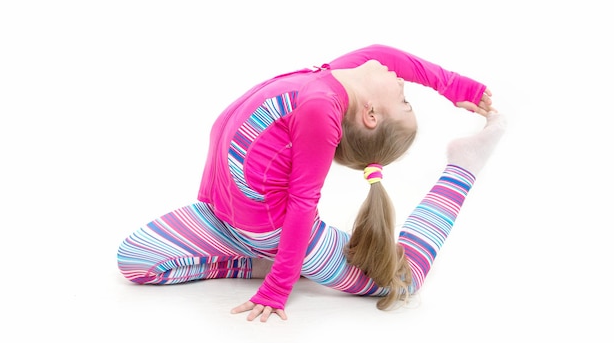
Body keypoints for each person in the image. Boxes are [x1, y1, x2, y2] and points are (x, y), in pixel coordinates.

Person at [117, 44, 506, 322]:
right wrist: (458, 88)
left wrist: (278, 286)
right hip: (220, 218)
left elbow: (303, 203)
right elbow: (388, 55)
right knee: (134, 261)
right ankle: (255, 263)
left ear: (369, 113)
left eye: (404, 104)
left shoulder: (321, 107)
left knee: (403, 278)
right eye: (408, 101)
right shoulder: (333, 77)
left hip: (276, 232)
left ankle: (463, 166)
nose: (405, 87)